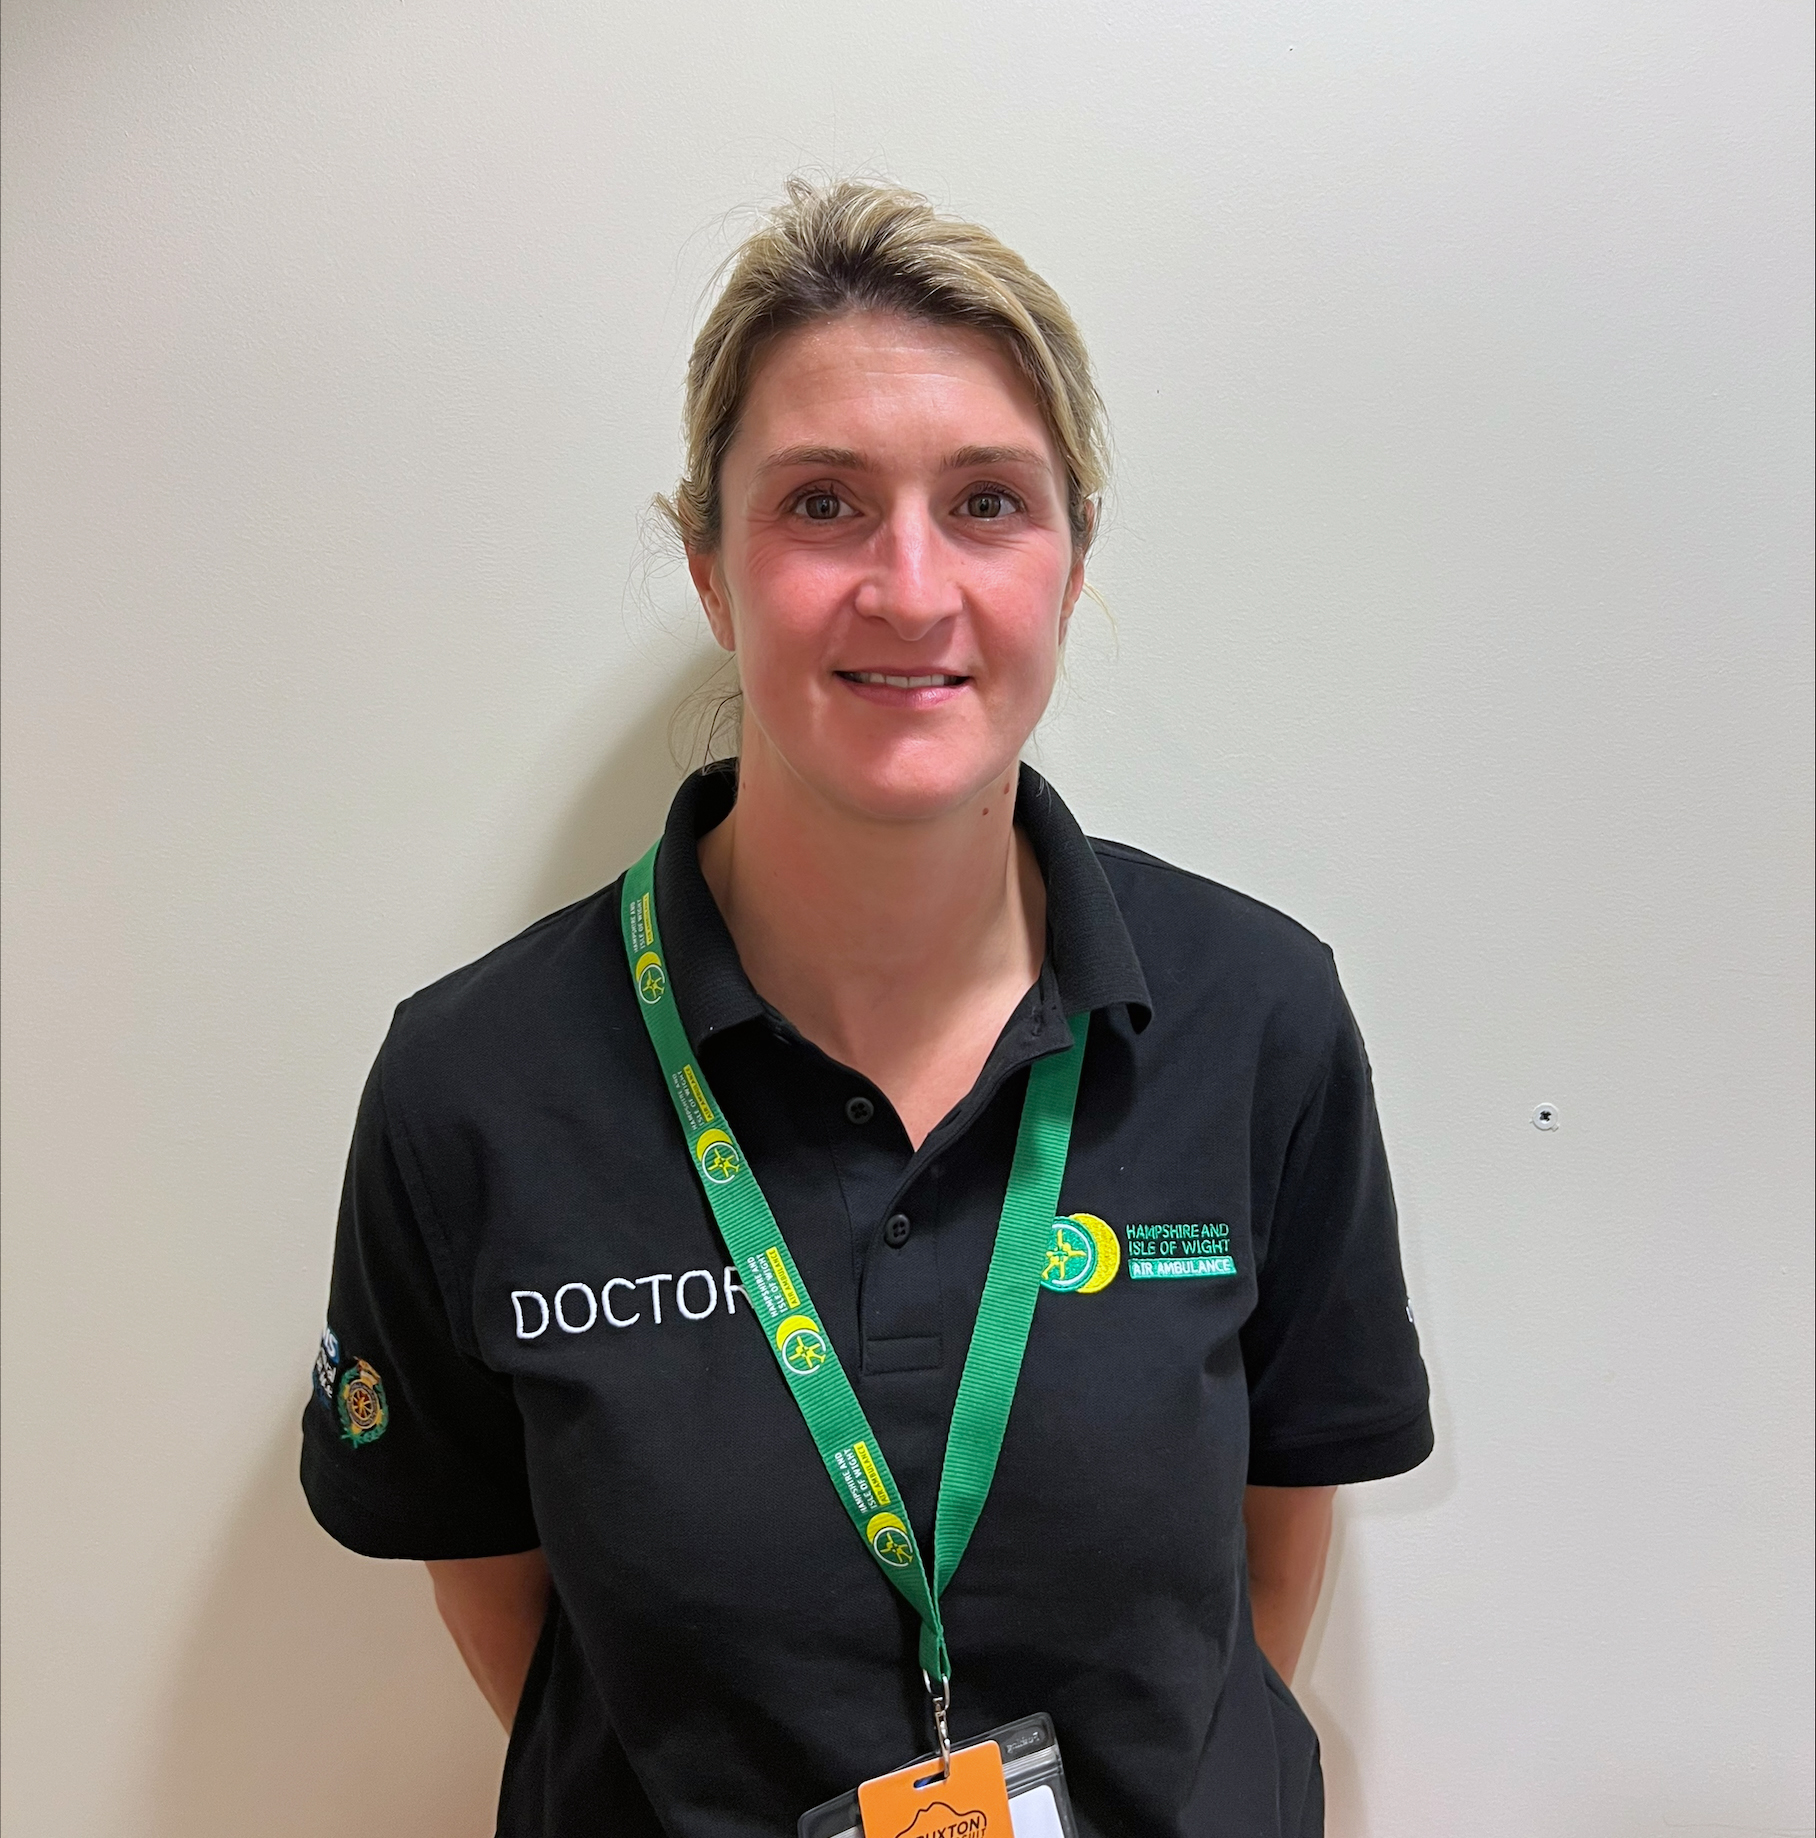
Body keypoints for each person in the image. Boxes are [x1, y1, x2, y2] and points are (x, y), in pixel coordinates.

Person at [300, 177, 1433, 1838]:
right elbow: (507, 1602)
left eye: (988, 503)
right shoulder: (475, 1082)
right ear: (708, 563)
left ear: (1071, 557)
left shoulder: (1255, 1016)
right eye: (822, 504)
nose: (912, 588)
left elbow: (1270, 1546)